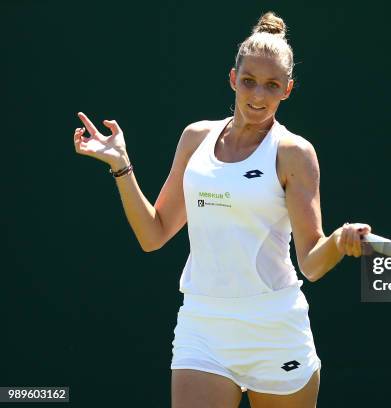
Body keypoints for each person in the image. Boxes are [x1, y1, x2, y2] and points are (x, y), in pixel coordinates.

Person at [73, 11, 371, 408]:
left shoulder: (294, 154)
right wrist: (121, 165)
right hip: (203, 326)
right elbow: (153, 234)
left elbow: (312, 264)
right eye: (248, 81)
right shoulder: (195, 138)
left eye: (272, 85)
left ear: (288, 89)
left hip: (274, 329)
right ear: (233, 79)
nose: (258, 96)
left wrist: (338, 240)